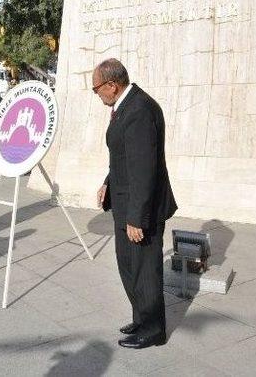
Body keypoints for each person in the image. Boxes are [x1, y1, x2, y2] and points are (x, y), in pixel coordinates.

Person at [93, 58, 177, 350]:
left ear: (112, 85)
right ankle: (141, 317)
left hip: (140, 209)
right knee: (129, 266)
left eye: (97, 89)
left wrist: (136, 218)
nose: (97, 94)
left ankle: (153, 329)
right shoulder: (125, 106)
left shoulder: (139, 110)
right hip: (125, 201)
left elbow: (144, 168)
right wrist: (108, 181)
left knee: (145, 270)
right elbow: (124, 155)